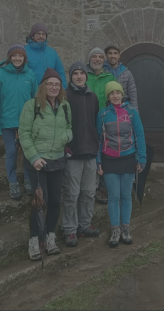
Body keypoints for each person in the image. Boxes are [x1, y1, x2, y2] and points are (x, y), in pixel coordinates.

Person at [18, 68, 72, 260]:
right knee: (41, 202)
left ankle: (50, 237)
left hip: (57, 159)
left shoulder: (65, 106)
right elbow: (23, 134)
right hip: (38, 162)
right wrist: (34, 158)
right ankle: (34, 240)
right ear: (43, 86)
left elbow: (69, 127)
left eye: (57, 84)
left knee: (56, 201)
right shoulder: (31, 106)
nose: (54, 87)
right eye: (50, 84)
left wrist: (66, 137)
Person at [97, 81, 146, 248]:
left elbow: (139, 135)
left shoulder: (131, 112)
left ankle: (126, 229)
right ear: (108, 96)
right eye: (112, 93)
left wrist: (142, 158)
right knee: (113, 197)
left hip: (128, 158)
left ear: (122, 94)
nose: (116, 96)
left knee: (126, 196)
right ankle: (115, 230)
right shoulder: (103, 114)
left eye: (118, 92)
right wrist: (98, 161)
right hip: (109, 160)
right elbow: (99, 139)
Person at [0, 44, 37, 200]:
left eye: (20, 56)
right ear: (9, 58)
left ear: (24, 58)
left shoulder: (30, 75)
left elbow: (36, 100)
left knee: (28, 152)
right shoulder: (0, 74)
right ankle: (13, 182)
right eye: (14, 56)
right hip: (7, 121)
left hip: (26, 122)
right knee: (11, 152)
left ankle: (29, 180)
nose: (17, 58)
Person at [61, 61, 102, 247]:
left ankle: (85, 225)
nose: (79, 76)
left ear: (86, 76)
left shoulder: (93, 97)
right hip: (73, 152)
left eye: (82, 73)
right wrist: (66, 146)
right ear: (71, 76)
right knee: (72, 193)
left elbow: (94, 122)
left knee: (89, 192)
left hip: (91, 151)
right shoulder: (65, 96)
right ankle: (70, 229)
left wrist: (96, 144)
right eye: (75, 73)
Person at [85, 47, 116, 204]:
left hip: (105, 120)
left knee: (105, 152)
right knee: (92, 153)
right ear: (89, 59)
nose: (97, 59)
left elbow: (113, 97)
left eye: (100, 57)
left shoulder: (109, 77)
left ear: (104, 60)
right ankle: (93, 188)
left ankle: (104, 187)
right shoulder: (83, 75)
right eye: (94, 56)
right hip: (87, 120)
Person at [25, 22, 67, 89]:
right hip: (30, 91)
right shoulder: (24, 51)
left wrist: (63, 89)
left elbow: (60, 72)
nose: (41, 36)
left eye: (43, 34)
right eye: (38, 33)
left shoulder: (52, 53)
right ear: (32, 36)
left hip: (49, 91)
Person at [103, 45, 139, 112]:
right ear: (106, 55)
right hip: (106, 109)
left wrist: (135, 113)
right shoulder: (102, 71)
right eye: (110, 53)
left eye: (115, 53)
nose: (113, 56)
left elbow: (133, 95)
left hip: (124, 108)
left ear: (119, 55)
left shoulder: (126, 73)